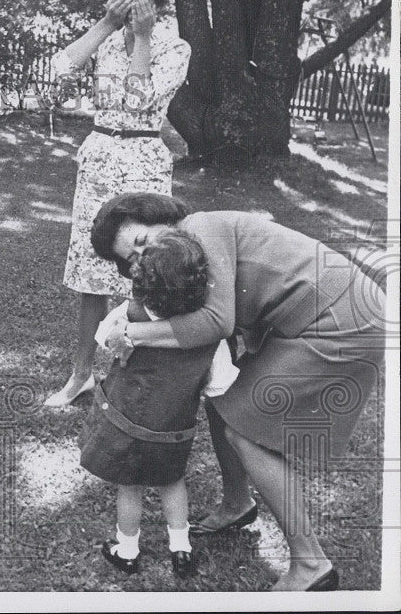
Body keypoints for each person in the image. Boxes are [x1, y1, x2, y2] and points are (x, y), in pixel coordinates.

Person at [90, 192, 386, 591]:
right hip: (320, 316)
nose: (142, 259)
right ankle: (237, 504)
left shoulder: (199, 228)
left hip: (341, 323)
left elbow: (215, 322)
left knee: (245, 432)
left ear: (158, 217)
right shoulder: (186, 248)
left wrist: (130, 332)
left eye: (142, 242)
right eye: (133, 260)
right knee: (224, 397)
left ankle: (310, 565)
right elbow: (241, 315)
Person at [44, 0, 191, 408]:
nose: (134, 3)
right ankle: (81, 376)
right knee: (90, 272)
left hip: (143, 161)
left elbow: (138, 104)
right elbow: (58, 70)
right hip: (100, 156)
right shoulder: (106, 38)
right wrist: (107, 24)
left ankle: (127, 377)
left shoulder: (175, 47)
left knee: (141, 272)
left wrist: (144, 38)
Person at [80, 231, 217, 579]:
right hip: (175, 429)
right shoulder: (208, 335)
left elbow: (104, 341)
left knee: (131, 485)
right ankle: (181, 550)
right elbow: (220, 382)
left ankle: (127, 551)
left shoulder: (129, 314)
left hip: (128, 424)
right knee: (173, 481)